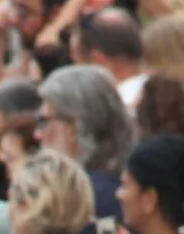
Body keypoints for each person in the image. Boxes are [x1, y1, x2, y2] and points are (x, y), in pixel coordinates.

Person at [38, 62, 130, 223]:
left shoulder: (86, 199)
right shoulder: (121, 184)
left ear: (75, 127)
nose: (37, 134)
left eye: (44, 122)